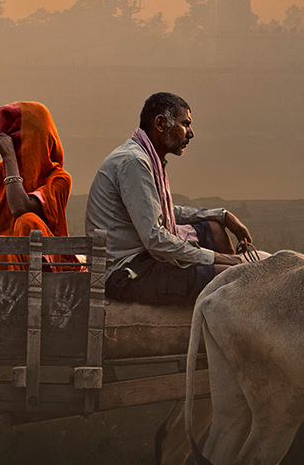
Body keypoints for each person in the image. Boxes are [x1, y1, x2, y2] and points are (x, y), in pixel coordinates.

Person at [86, 91, 255, 305]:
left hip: (143, 256)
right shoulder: (134, 163)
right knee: (233, 278)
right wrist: (221, 259)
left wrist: (222, 215)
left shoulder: (146, 157)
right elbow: (155, 239)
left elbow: (164, 212)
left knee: (213, 229)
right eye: (185, 124)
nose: (191, 134)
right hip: (128, 270)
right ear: (160, 123)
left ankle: (229, 280)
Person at [0, 101, 72, 242]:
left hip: (41, 261)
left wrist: (9, 159)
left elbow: (20, 208)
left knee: (28, 221)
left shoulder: (58, 179)